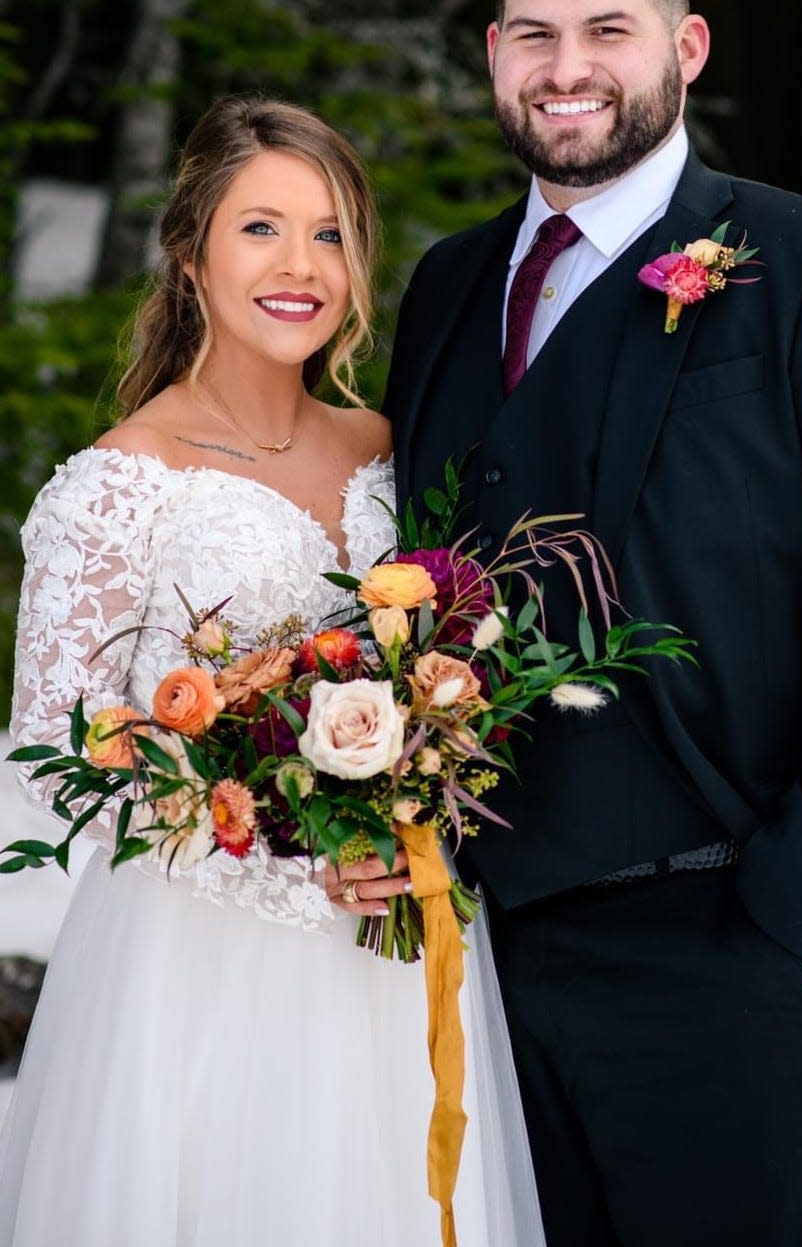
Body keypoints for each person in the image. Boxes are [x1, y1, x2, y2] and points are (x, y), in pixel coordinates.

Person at [383, 0, 802, 1247]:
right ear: (493, 54)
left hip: (724, 938)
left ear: (683, 50)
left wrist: (800, 935)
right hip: (480, 959)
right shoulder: (448, 287)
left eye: (606, 29)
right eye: (531, 33)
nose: (566, 67)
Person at [0, 95, 547, 1246]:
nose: (301, 265)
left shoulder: (388, 446)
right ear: (190, 252)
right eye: (261, 228)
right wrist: (298, 858)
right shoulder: (119, 482)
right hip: (199, 974)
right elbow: (58, 753)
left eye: (331, 232)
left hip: (395, 959)